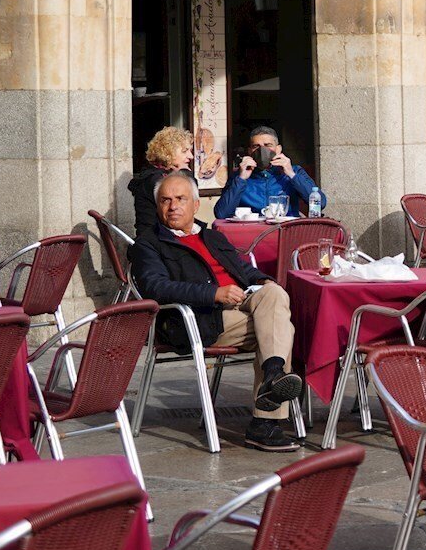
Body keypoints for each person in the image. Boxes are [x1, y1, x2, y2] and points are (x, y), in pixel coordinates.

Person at [131, 172, 305, 452]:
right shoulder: (148, 244)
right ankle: (265, 421)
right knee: (280, 329)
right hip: (197, 318)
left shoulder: (212, 236)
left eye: (180, 199)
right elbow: (156, 287)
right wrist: (213, 293)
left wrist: (263, 280)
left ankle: (272, 375)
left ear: (196, 204)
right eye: (165, 200)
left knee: (274, 293)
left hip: (240, 304)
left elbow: (242, 269)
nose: (173, 206)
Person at [214, 125, 319, 219]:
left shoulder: (294, 171)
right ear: (250, 151)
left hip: (286, 229)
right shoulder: (239, 176)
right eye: (256, 146)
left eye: (268, 145)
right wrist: (241, 179)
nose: (262, 150)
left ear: (278, 149)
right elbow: (221, 214)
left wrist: (291, 174)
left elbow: (320, 203)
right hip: (252, 231)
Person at [129, 126, 196, 239]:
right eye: (185, 151)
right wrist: (185, 173)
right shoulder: (155, 179)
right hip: (156, 241)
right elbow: (189, 193)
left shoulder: (157, 174)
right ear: (168, 153)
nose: (191, 156)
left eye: (190, 151)